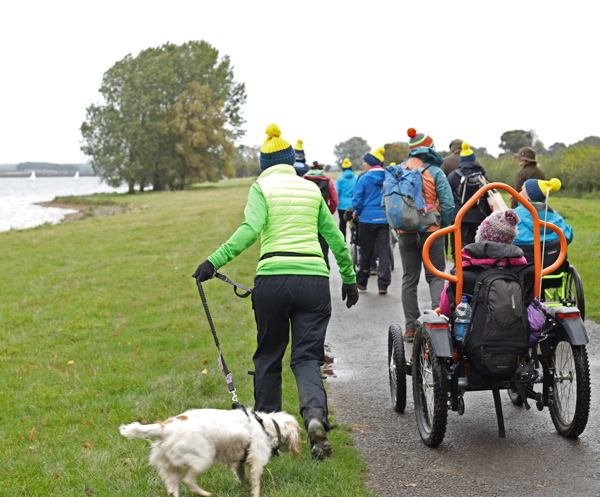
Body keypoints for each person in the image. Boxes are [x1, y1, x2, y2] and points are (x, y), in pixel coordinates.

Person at [193, 124, 358, 460]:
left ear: (264, 163)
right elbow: (336, 239)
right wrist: (350, 278)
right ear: (289, 161)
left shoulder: (261, 188)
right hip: (313, 280)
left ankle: (268, 434)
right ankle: (314, 417)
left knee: (269, 354)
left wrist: (213, 261)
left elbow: (250, 230)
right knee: (307, 357)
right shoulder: (311, 189)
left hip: (273, 280)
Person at [438, 210, 546, 345]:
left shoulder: (464, 270)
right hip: (517, 337)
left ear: (482, 238)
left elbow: (445, 307)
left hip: (472, 339)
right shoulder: (524, 269)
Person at [398, 128, 455, 341]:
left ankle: (410, 328)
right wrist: (444, 226)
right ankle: (438, 323)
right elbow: (448, 204)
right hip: (431, 231)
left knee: (409, 279)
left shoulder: (400, 170)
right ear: (429, 148)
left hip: (405, 232)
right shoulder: (435, 172)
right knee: (436, 276)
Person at [352, 146, 391, 295]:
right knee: (383, 252)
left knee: (366, 251)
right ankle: (383, 284)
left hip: (367, 219)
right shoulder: (388, 177)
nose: (363, 165)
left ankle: (362, 282)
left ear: (370, 163)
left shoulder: (364, 178)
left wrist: (358, 211)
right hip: (384, 218)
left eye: (364, 162)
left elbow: (357, 199)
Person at [513, 178, 573, 265]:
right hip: (553, 269)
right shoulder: (555, 216)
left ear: (528, 198)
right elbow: (568, 235)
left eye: (522, 190)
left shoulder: (514, 215)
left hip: (522, 270)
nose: (518, 193)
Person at [447, 142, 492, 250]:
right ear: (473, 159)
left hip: (460, 218)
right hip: (480, 217)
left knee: (460, 249)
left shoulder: (453, 175)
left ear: (461, 160)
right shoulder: (482, 175)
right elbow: (489, 194)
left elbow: (447, 196)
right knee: (477, 249)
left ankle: (459, 266)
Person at [304, 161, 339, 268]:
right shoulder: (328, 181)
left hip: (307, 217)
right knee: (323, 246)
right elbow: (334, 201)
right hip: (323, 217)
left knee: (308, 244)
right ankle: (324, 269)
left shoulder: (303, 180)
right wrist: (329, 212)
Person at [335, 157, 357, 239]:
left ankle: (343, 240)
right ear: (351, 167)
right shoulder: (356, 178)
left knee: (342, 223)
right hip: (353, 205)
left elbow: (337, 192)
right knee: (354, 222)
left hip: (342, 205)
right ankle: (354, 237)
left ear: (343, 168)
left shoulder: (340, 179)